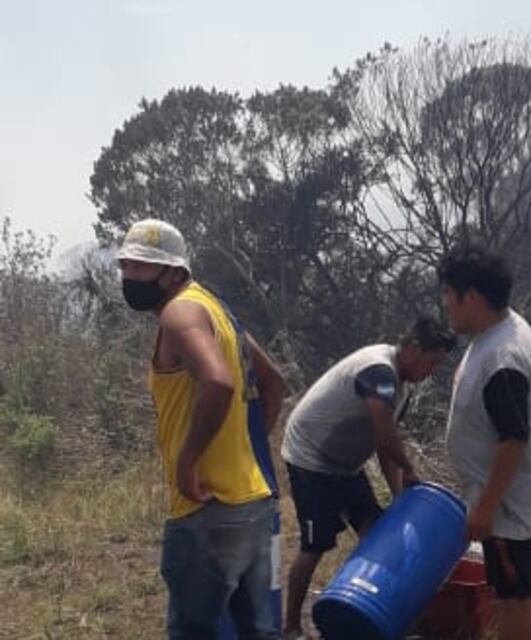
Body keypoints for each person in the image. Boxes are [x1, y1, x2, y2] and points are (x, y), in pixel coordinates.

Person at [117, 219, 285, 639]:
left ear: (174, 272)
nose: (129, 276)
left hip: (207, 510)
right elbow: (274, 381)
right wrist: (245, 449)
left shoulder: (179, 313)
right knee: (257, 630)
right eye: (125, 265)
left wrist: (189, 459)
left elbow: (218, 383)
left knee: (193, 630)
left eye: (142, 266)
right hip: (253, 504)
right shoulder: (216, 310)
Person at [280, 317, 457, 640]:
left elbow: (383, 444)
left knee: (376, 530)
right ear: (413, 348)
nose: (431, 371)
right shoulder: (379, 372)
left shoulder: (401, 386)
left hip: (345, 465)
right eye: (431, 361)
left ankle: (369, 610)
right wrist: (410, 470)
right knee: (315, 544)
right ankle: (291, 627)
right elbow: (386, 436)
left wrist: (399, 497)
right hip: (311, 458)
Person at [439, 245, 531, 640]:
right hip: (498, 500)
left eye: (449, 295)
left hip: (506, 506)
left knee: (515, 596)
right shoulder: (498, 331)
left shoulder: (504, 358)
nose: (445, 305)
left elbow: (513, 439)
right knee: (508, 592)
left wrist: (485, 507)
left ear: (472, 297)